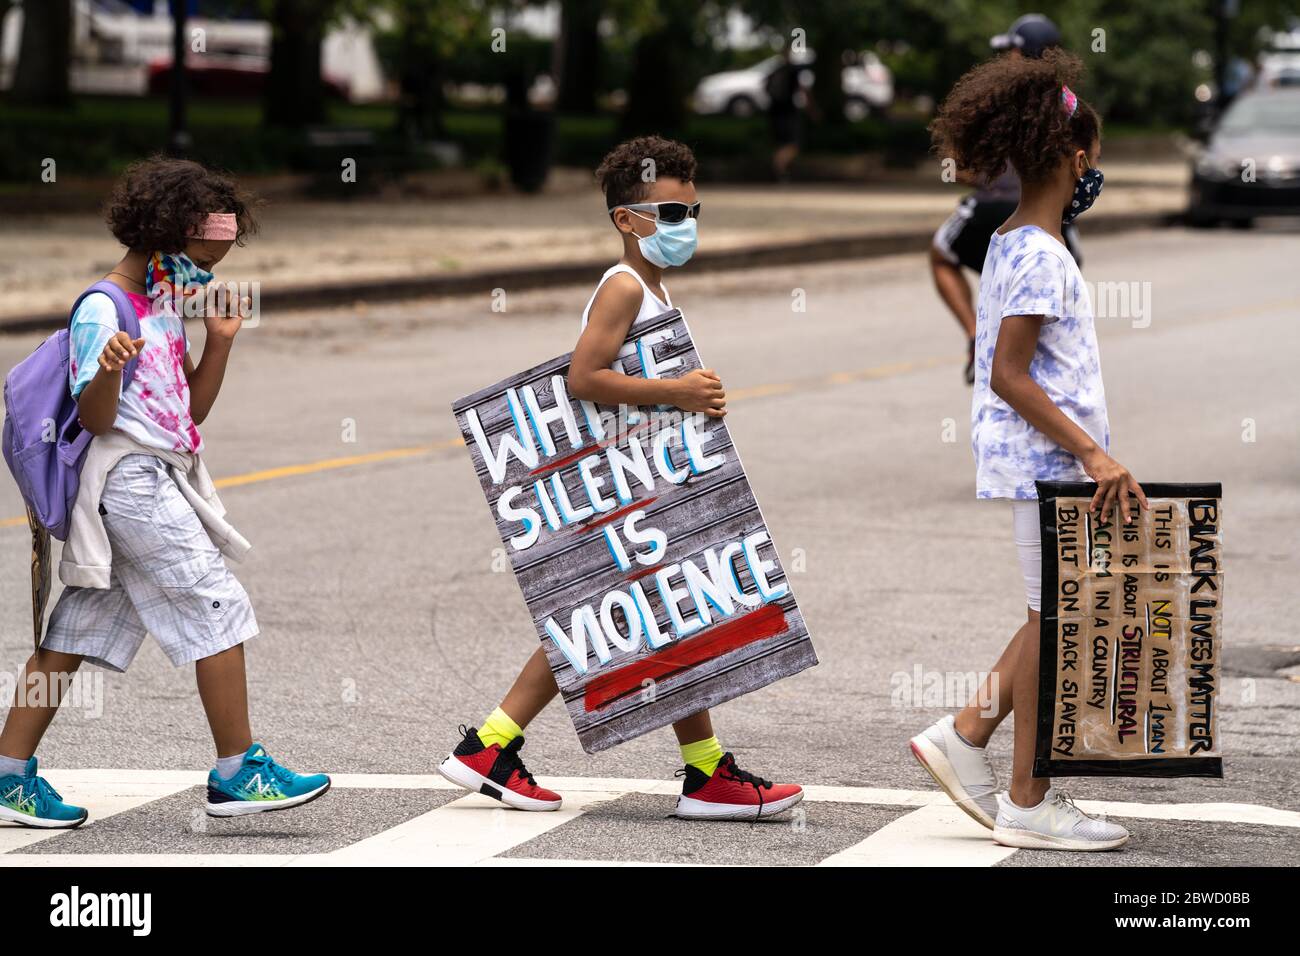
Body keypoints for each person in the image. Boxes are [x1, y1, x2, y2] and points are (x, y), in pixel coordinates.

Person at [438, 135, 804, 822]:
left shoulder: (651, 287)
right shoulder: (625, 285)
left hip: (640, 477)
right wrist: (680, 392)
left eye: (692, 210)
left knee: (648, 616)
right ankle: (501, 746)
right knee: (634, 614)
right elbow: (585, 376)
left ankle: (692, 771)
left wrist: (685, 397)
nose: (684, 225)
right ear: (625, 221)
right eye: (668, 213)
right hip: (618, 482)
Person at [0, 158, 330, 828]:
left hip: (156, 474)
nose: (206, 275)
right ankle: (239, 769)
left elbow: (190, 413)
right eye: (201, 259)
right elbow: (96, 420)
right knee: (216, 602)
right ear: (165, 239)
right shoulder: (105, 307)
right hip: (129, 483)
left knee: (72, 632)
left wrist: (220, 344)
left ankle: (7, 774)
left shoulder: (163, 307)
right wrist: (108, 373)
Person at [909, 50, 1145, 851]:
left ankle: (965, 734)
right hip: (1048, 467)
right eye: (1095, 159)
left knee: (1051, 614)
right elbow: (1009, 374)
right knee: (1058, 623)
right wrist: (1093, 453)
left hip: (1039, 465)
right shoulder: (1043, 254)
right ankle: (1026, 798)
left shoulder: (1014, 237)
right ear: (1076, 159)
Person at [930, 14, 1083, 385]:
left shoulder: (995, 99)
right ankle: (1039, 362)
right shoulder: (1068, 101)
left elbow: (955, 167)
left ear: (1020, 52)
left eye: (1010, 50)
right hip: (1053, 223)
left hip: (996, 213)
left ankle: (975, 337)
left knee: (941, 253)